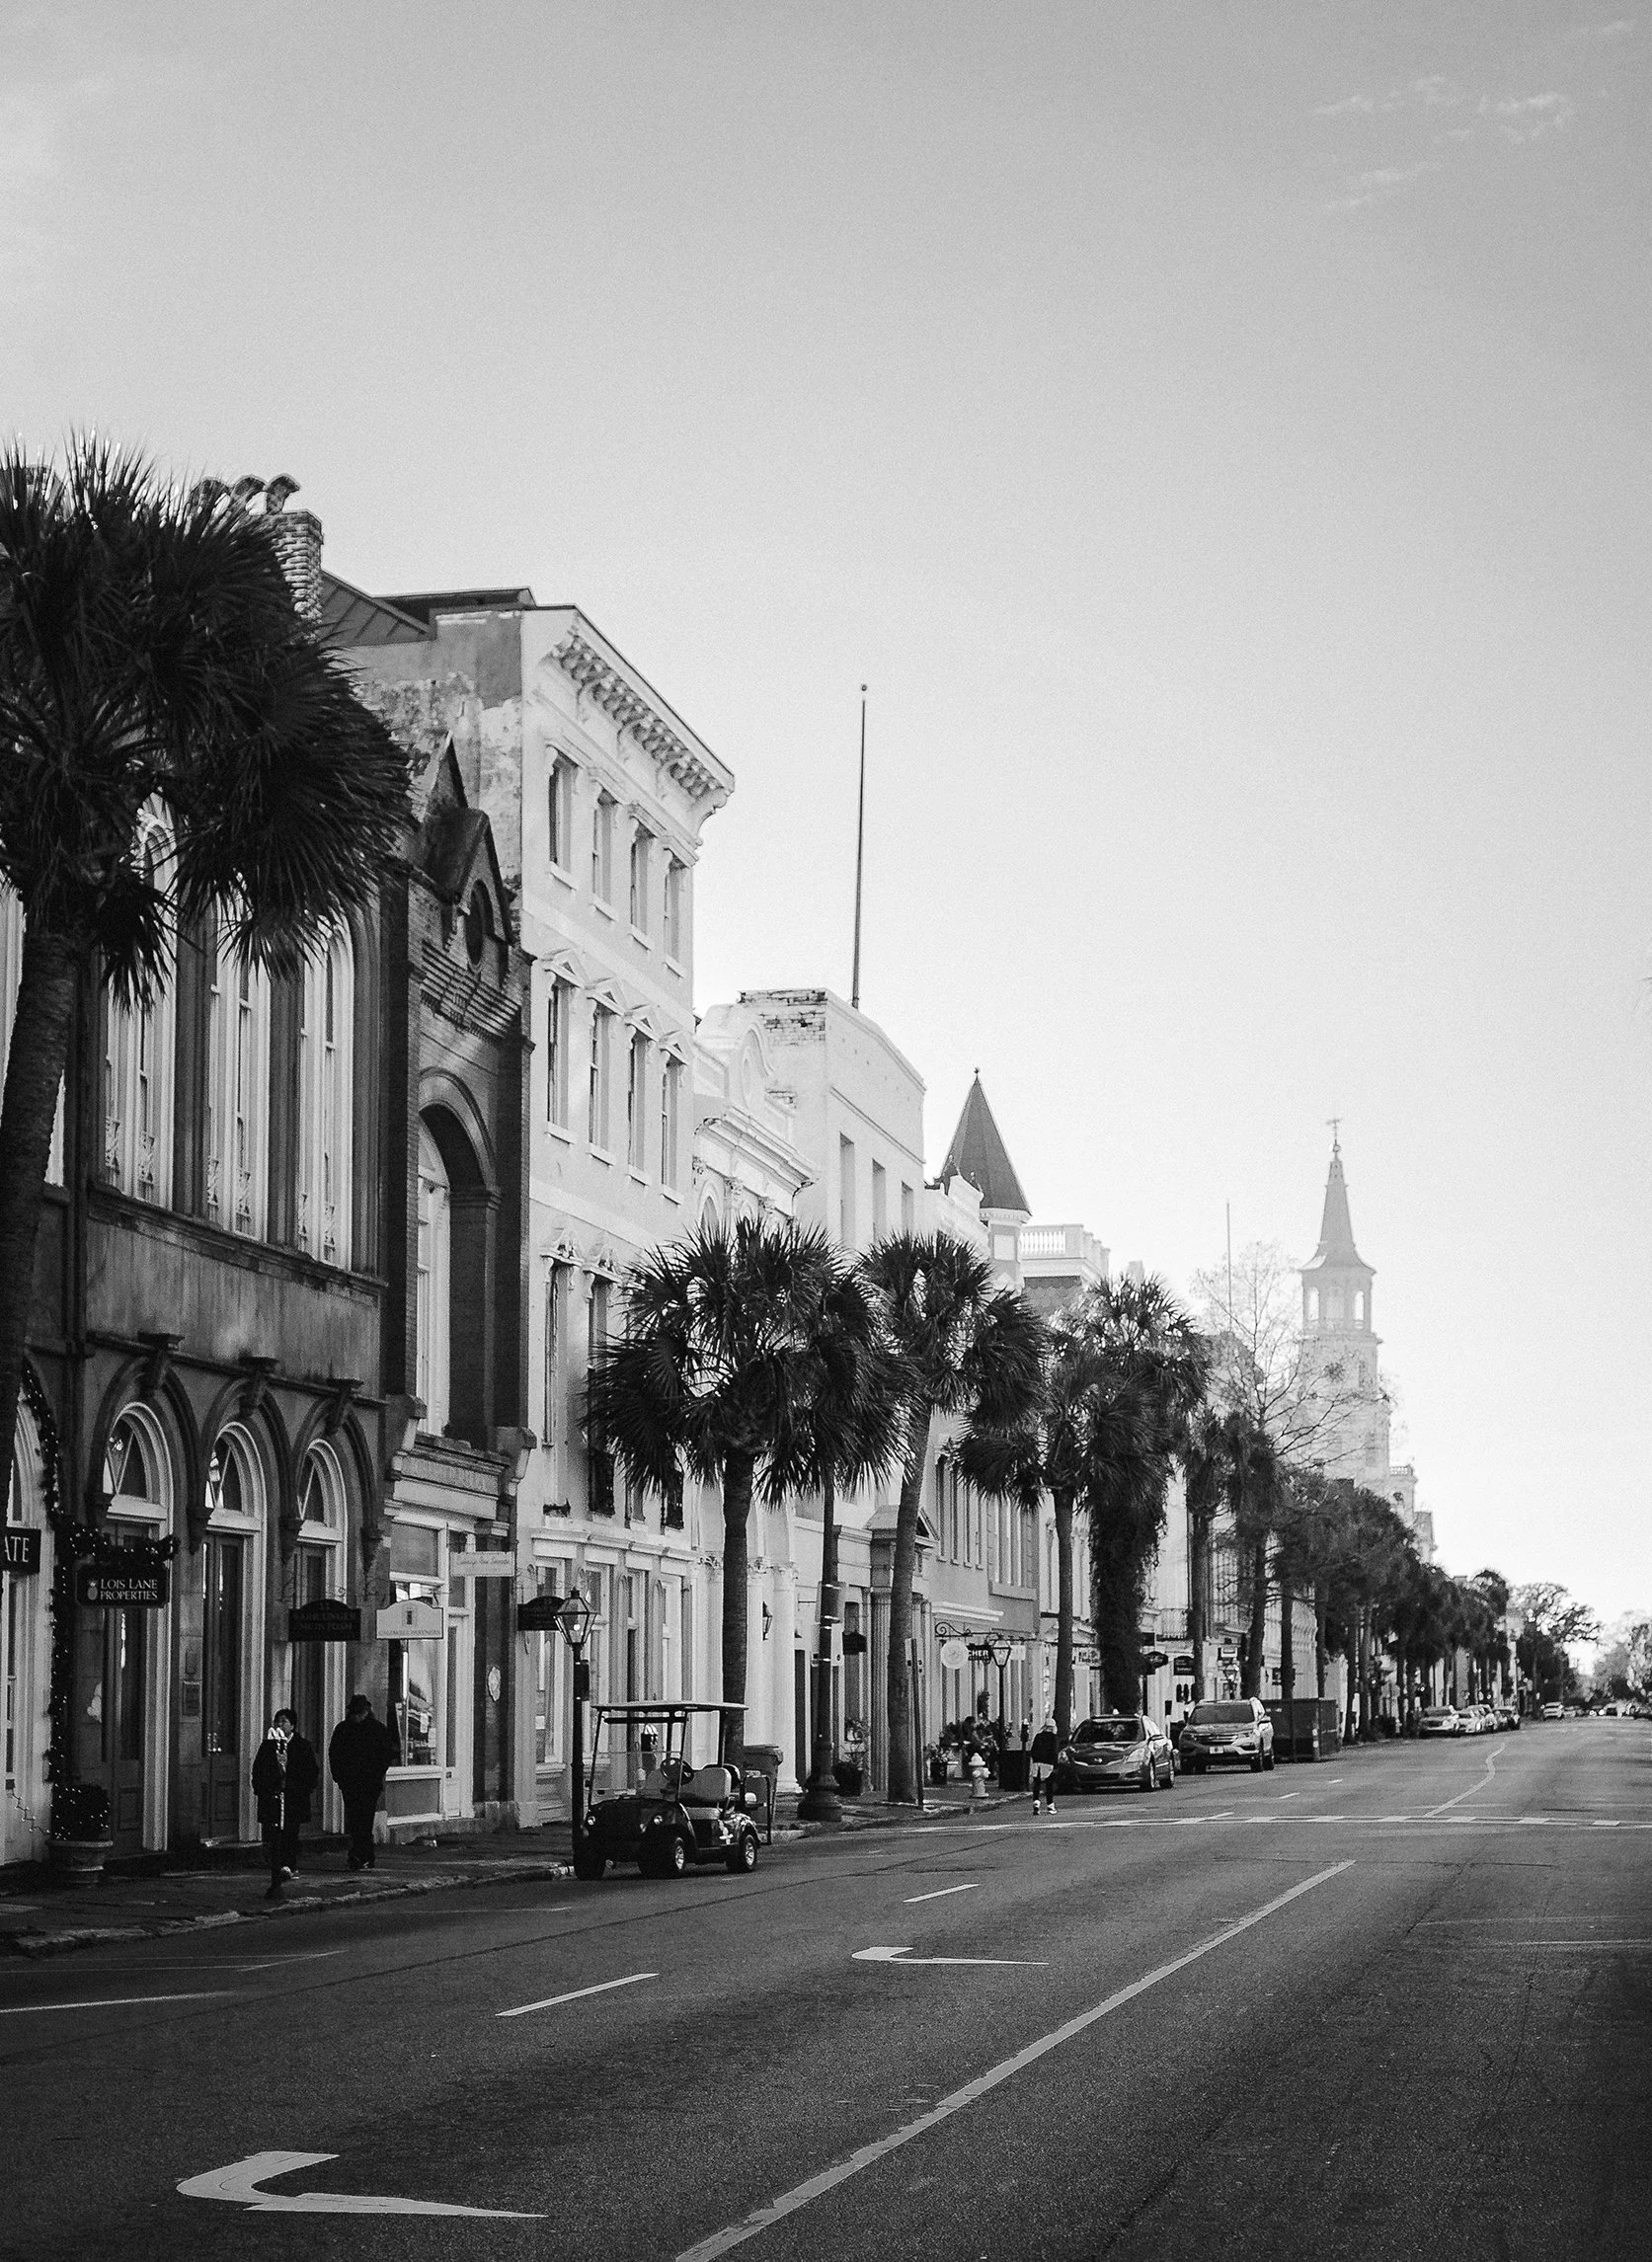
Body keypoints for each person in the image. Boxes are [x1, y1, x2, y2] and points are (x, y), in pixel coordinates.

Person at [252, 1707, 320, 1897]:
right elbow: (258, 1769)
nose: (280, 1725)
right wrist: (262, 1789)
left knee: (290, 1832)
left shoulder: (302, 1746)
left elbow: (311, 1771)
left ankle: (289, 1865)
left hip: (294, 1797)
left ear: (293, 1725)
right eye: (277, 1722)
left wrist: (301, 1788)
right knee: (273, 1832)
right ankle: (275, 1866)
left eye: (284, 1722)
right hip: (273, 1797)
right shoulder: (268, 1746)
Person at [328, 1693, 400, 1871]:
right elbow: (334, 1754)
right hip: (351, 1783)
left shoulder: (376, 1730)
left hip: (368, 1783)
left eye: (359, 1713)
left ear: (366, 1712)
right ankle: (359, 1854)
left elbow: (387, 1755)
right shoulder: (344, 1729)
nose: (356, 1717)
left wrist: (376, 1775)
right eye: (354, 1713)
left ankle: (363, 1855)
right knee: (354, 1820)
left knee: (365, 1820)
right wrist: (339, 1777)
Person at [1030, 1716, 1061, 1814]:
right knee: (1049, 1785)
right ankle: (1050, 1805)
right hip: (1048, 1763)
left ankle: (1036, 1802)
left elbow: (1033, 1750)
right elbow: (1055, 1752)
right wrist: (1055, 1765)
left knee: (1037, 1783)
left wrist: (1035, 1760)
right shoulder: (1054, 1737)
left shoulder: (1038, 1736)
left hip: (1037, 1763)